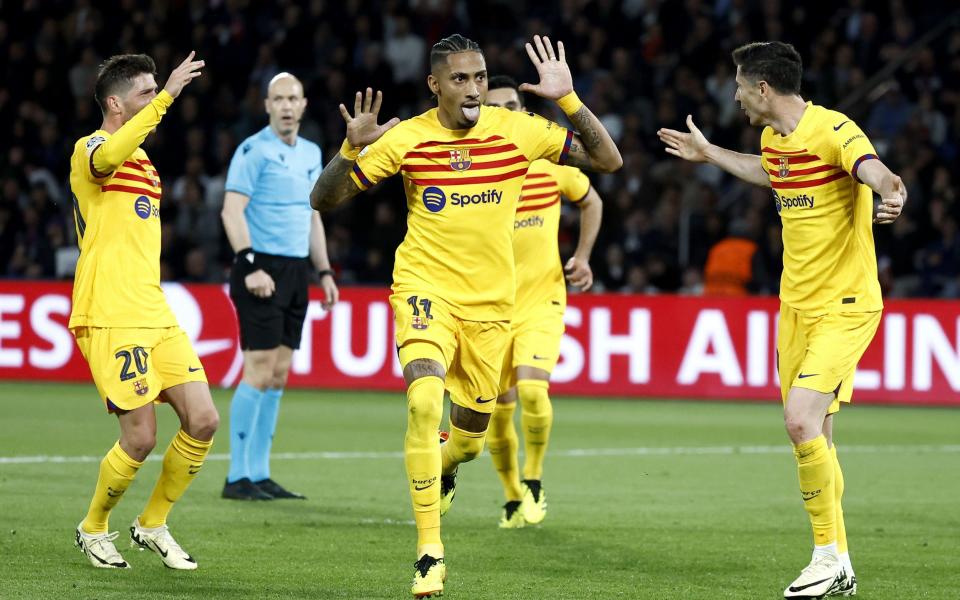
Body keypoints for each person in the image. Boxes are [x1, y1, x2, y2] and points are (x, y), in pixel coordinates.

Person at [310, 34, 621, 599]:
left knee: (471, 439)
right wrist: (349, 149)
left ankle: (449, 465)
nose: (474, 88)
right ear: (435, 85)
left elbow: (607, 160)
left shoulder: (519, 131)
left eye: (480, 77)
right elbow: (324, 199)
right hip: (425, 288)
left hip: (493, 306)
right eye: (460, 79)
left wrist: (569, 100)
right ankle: (430, 552)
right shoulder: (407, 138)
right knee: (425, 400)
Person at [658, 41, 906, 599]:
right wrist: (710, 153)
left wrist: (892, 192)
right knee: (818, 434)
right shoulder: (774, 139)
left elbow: (873, 169)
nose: (737, 96)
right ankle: (840, 562)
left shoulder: (835, 130)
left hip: (845, 304)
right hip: (794, 307)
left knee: (799, 422)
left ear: (764, 88)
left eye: (741, 86)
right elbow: (768, 171)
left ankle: (822, 556)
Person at [69, 52, 219, 570]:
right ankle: (93, 530)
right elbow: (108, 154)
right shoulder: (90, 149)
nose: (155, 99)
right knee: (141, 436)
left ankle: (152, 524)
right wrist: (171, 94)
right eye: (145, 93)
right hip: (109, 309)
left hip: (154, 309)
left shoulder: (146, 163)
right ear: (115, 102)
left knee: (202, 420)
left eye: (157, 91)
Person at [482, 75, 603, 529]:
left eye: (513, 104)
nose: (508, 113)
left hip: (542, 300)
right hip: (489, 308)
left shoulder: (552, 167)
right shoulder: (475, 174)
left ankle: (533, 478)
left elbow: (593, 202)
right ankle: (512, 495)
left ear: (525, 110)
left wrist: (583, 257)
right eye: (497, 107)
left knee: (533, 389)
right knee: (498, 405)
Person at [220, 72, 339, 501]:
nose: (287, 106)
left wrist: (323, 272)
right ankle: (237, 476)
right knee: (259, 368)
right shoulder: (252, 151)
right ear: (267, 105)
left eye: (293, 98)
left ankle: (259, 471)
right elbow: (231, 212)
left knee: (279, 373)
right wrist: (248, 264)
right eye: (279, 99)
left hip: (294, 272)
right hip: (260, 267)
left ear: (304, 104)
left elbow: (312, 216)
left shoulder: (310, 152)